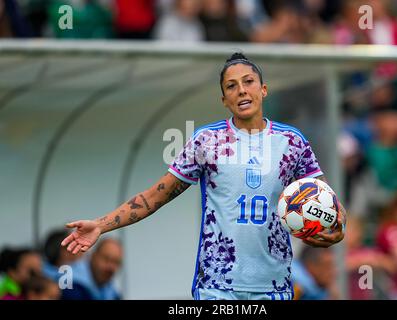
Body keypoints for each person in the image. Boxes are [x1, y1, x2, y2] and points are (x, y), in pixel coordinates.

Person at [61, 52, 346, 300]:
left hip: (273, 283)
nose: (241, 91)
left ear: (264, 89)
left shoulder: (291, 141)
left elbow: (325, 200)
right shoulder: (206, 141)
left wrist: (337, 227)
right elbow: (155, 196)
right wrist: (100, 225)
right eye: (231, 86)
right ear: (224, 99)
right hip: (217, 283)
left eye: (248, 82)